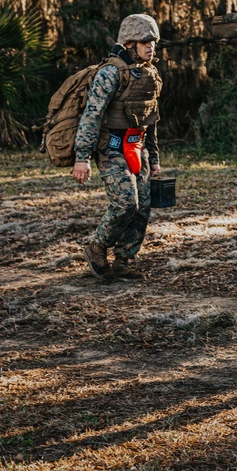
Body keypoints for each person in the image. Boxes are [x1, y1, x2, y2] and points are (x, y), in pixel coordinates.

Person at [72, 14, 163, 283]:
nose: (151, 47)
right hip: (111, 148)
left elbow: (151, 118)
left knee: (143, 207)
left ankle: (125, 259)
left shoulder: (150, 73)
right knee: (125, 203)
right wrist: (82, 157)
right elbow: (92, 115)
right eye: (145, 41)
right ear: (129, 43)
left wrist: (154, 158)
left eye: (153, 42)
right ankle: (97, 247)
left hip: (138, 147)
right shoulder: (110, 73)